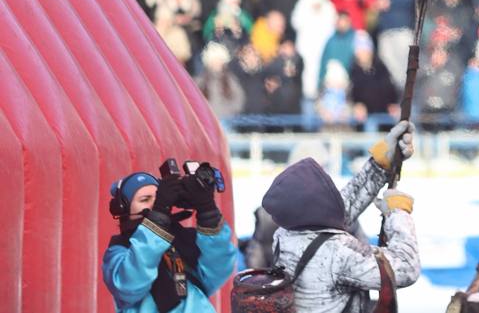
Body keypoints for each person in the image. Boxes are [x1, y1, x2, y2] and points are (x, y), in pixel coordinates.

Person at [260, 122, 419, 312]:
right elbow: (405, 268)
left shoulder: (285, 234)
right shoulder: (338, 252)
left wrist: (379, 165)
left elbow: (336, 212)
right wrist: (398, 212)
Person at [101, 164, 236, 312]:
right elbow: (130, 285)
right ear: (123, 207)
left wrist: (207, 210)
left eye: (158, 198)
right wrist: (158, 216)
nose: (154, 204)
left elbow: (218, 271)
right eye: (145, 199)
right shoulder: (119, 251)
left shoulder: (183, 239)